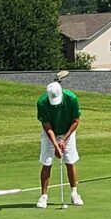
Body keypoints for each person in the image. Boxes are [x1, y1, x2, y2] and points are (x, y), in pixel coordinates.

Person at [36, 78, 83, 207]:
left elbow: (76, 121)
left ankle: (74, 193)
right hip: (50, 133)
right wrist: (56, 145)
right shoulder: (42, 103)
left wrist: (64, 139)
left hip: (68, 131)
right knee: (47, 162)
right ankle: (43, 196)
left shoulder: (71, 99)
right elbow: (47, 127)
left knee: (70, 160)